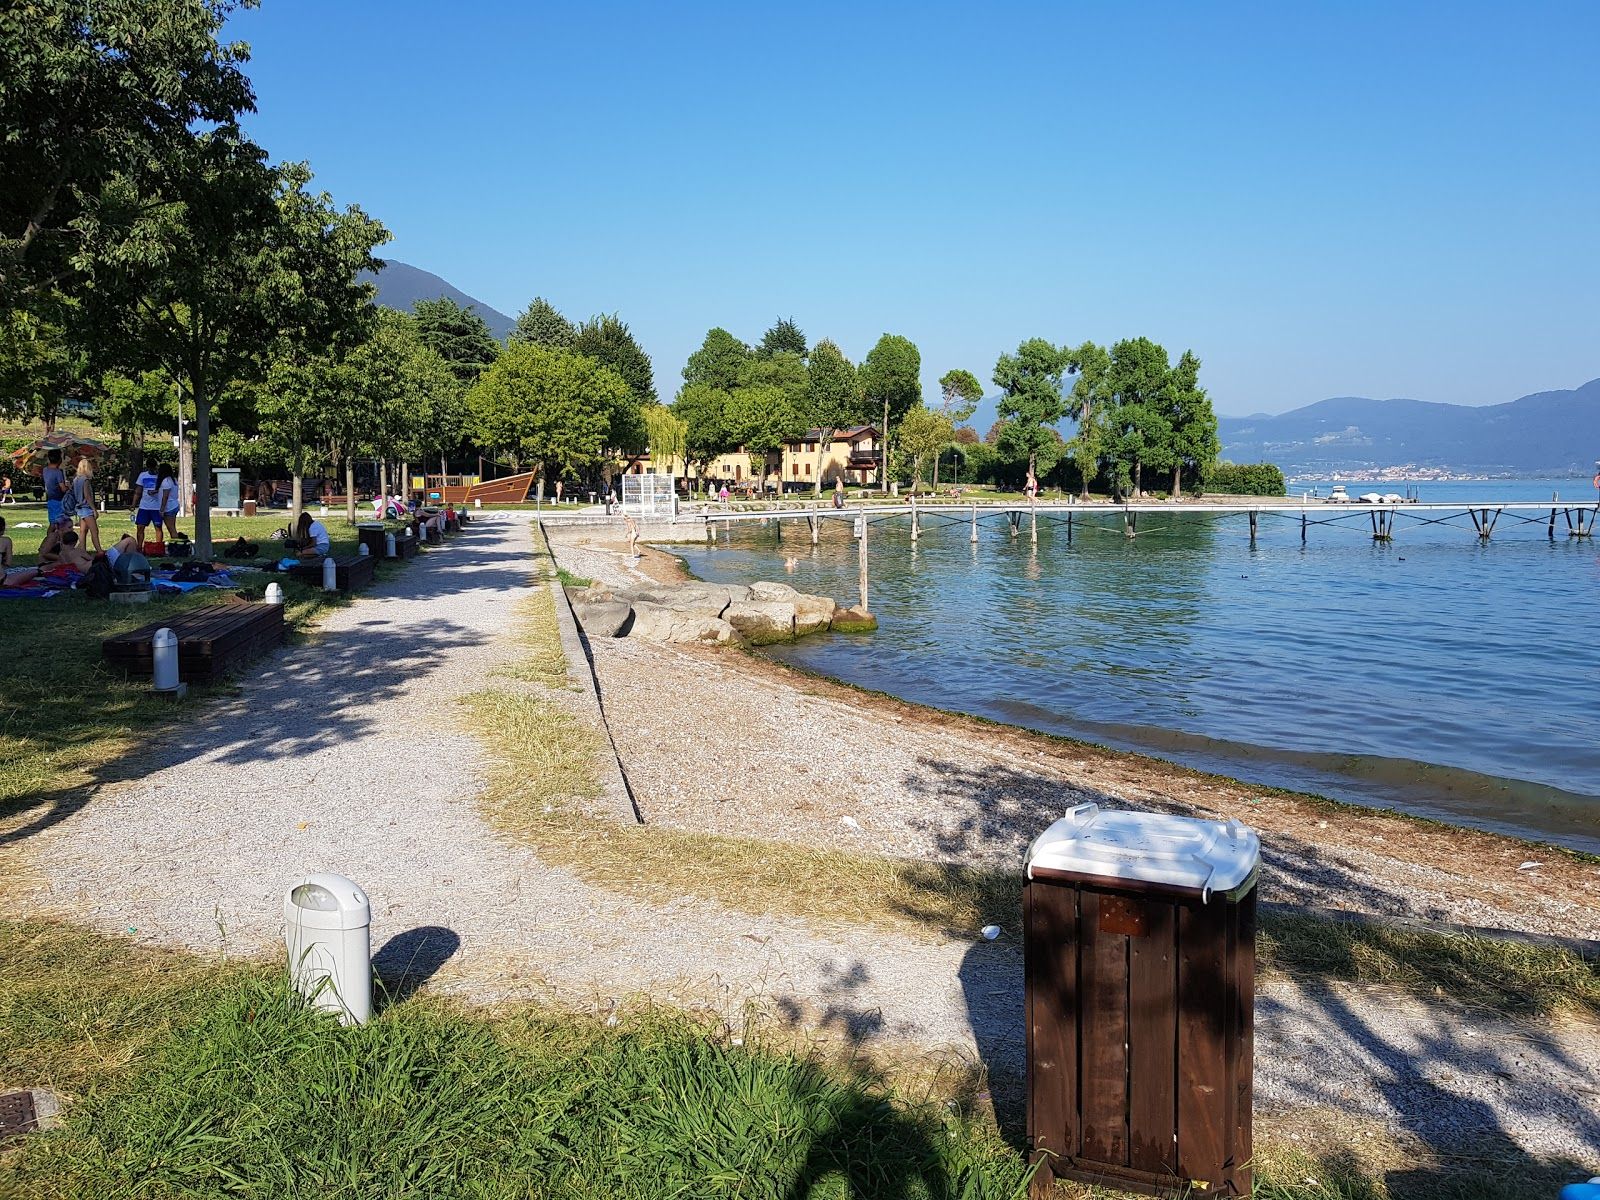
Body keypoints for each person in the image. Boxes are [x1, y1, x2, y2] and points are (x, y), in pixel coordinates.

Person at [71, 457, 101, 552]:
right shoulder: (85, 480)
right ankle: (99, 550)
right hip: (86, 508)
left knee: (83, 531)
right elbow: (87, 496)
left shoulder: (76, 480)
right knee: (94, 530)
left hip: (79, 507)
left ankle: (82, 550)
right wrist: (94, 509)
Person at [133, 464, 163, 541]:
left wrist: (156, 491)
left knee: (158, 527)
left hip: (157, 506)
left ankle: (158, 546)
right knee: (140, 527)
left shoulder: (161, 476)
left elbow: (165, 490)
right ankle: (139, 546)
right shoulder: (142, 475)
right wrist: (133, 504)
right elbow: (138, 491)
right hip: (144, 506)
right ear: (148, 467)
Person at [41, 449, 70, 530]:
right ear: (59, 459)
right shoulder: (58, 472)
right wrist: (68, 487)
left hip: (50, 499)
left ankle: (50, 538)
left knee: (52, 523)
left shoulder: (45, 470)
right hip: (59, 500)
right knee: (61, 523)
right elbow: (63, 489)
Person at [158, 466, 181, 539]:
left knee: (171, 528)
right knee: (172, 527)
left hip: (169, 507)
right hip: (174, 504)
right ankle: (175, 543)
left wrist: (162, 509)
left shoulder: (166, 481)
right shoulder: (174, 480)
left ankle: (176, 545)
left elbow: (165, 496)